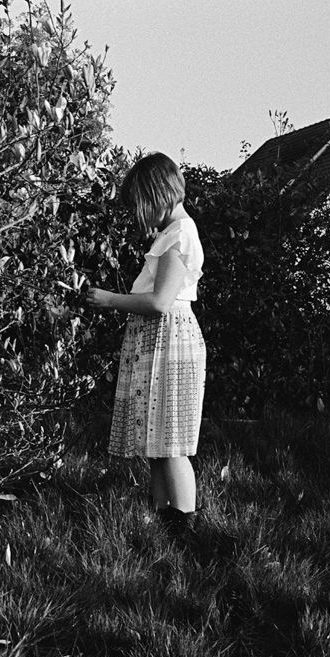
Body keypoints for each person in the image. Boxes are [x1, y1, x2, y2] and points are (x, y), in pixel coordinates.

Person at [84, 152, 206, 535]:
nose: (139, 216)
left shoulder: (180, 236)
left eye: (141, 205)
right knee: (157, 438)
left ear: (158, 195)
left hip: (170, 340)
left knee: (171, 441)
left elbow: (159, 302)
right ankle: (160, 516)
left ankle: (184, 526)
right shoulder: (171, 234)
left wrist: (109, 299)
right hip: (157, 341)